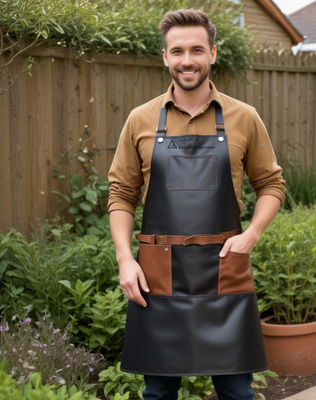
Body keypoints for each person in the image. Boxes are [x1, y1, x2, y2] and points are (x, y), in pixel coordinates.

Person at [107, 8, 286, 400]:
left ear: (213, 54)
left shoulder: (244, 118)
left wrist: (251, 235)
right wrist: (125, 258)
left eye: (197, 50)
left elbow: (272, 184)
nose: (187, 60)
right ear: (165, 57)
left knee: (238, 391)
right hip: (157, 275)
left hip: (225, 268)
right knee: (157, 392)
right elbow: (121, 194)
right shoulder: (140, 120)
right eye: (178, 51)